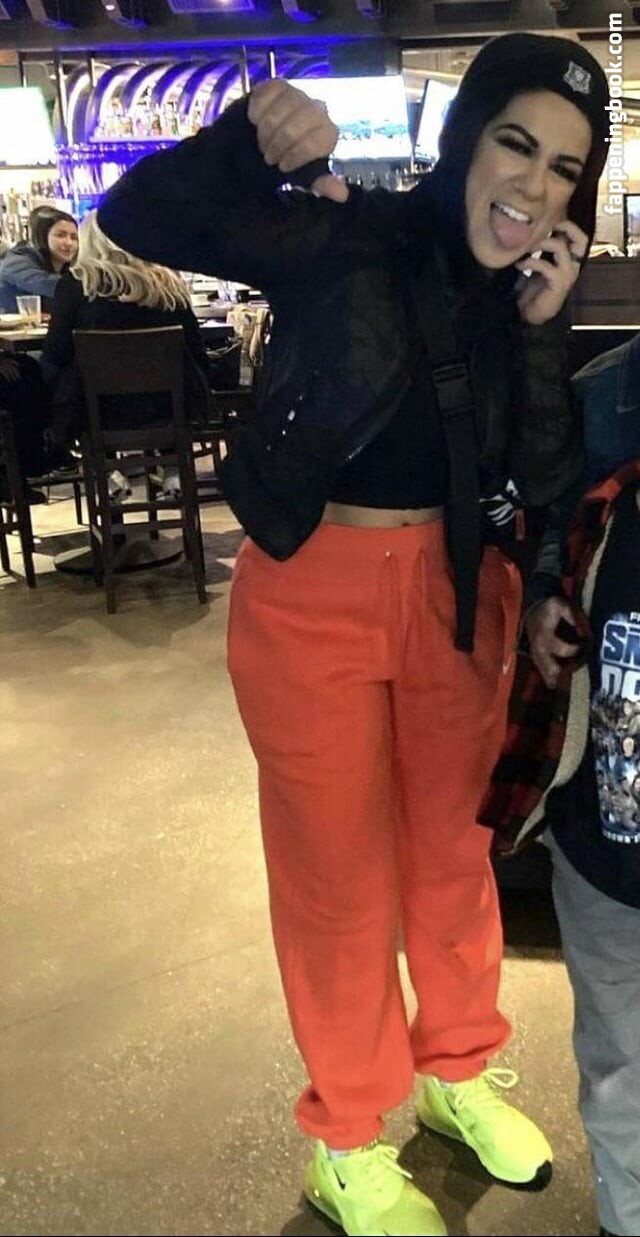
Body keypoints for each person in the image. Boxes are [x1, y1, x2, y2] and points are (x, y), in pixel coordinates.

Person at [97, 33, 608, 1237]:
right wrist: (247, 138)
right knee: (334, 880)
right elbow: (138, 213)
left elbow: (540, 477)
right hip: (313, 590)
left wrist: (543, 329)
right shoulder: (346, 233)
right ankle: (346, 1134)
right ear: (465, 139)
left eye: (565, 168)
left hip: (456, 595)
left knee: (450, 857)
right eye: (516, 144)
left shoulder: (521, 295)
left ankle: (455, 1071)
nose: (534, 185)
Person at [480, 331, 640, 1237]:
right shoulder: (601, 399)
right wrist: (544, 601)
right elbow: (545, 533)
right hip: (605, 832)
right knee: (619, 1060)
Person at [40, 209, 212, 499]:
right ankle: (172, 467)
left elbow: (56, 353)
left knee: (62, 376)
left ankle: (104, 470)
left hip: (101, 413)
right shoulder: (168, 283)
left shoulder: (77, 284)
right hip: (170, 409)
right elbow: (196, 351)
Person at [0, 207, 78, 313]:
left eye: (74, 237)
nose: (69, 243)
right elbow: (55, 287)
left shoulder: (65, 267)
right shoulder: (16, 262)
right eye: (60, 235)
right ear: (42, 237)